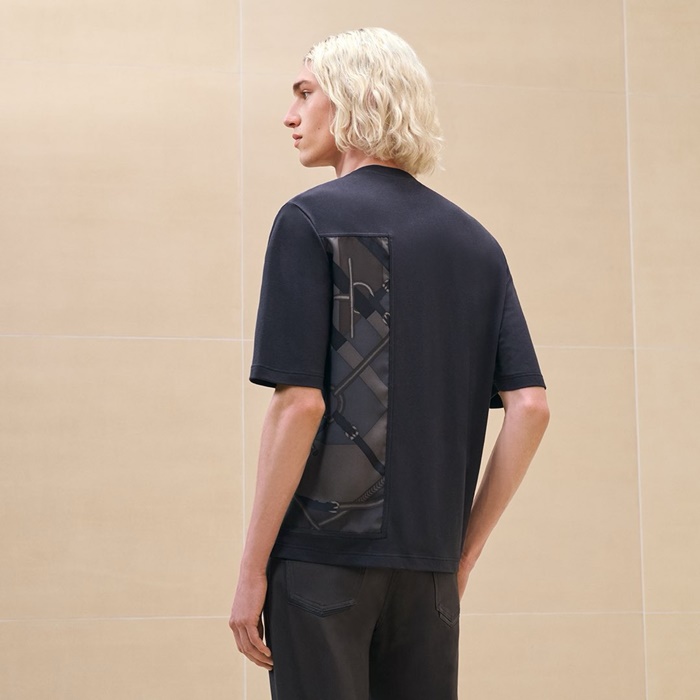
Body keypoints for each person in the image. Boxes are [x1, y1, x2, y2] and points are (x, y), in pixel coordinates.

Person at [229, 27, 549, 700]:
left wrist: (252, 570)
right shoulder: (476, 244)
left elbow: (300, 404)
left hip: (321, 565)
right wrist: (461, 556)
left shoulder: (309, 221)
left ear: (352, 98)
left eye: (305, 93)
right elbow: (530, 407)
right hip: (428, 572)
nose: (290, 115)